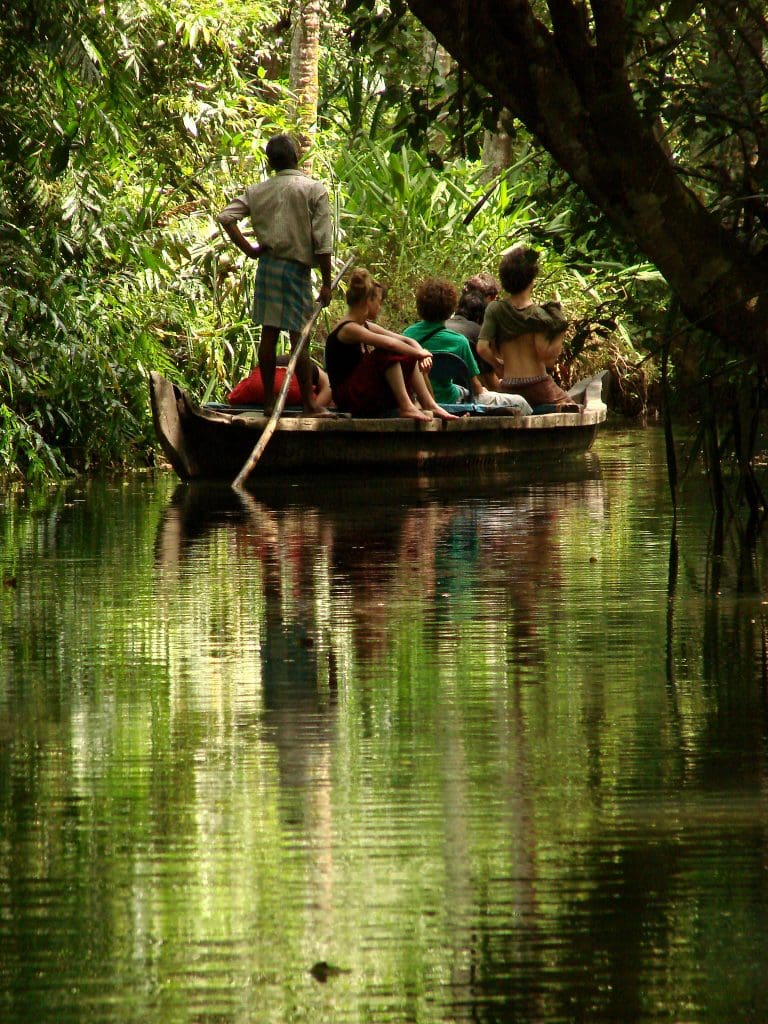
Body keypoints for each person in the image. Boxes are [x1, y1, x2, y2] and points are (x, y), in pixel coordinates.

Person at [218, 133, 333, 416]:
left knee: (268, 334)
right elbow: (323, 241)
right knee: (299, 339)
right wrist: (327, 283)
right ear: (296, 156)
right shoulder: (313, 189)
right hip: (296, 269)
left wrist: (250, 250)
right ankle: (308, 403)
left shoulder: (258, 190)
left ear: (271, 163)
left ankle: (270, 402)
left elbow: (226, 216)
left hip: (268, 266)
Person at [324, 269, 459, 421]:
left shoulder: (364, 325)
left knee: (407, 354)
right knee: (386, 352)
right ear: (368, 301)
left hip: (361, 391)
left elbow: (405, 340)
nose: (380, 307)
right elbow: (391, 344)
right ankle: (406, 406)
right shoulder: (349, 328)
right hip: (348, 397)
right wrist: (418, 354)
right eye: (379, 302)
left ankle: (429, 404)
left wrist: (419, 351)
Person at [403, 278, 532, 413]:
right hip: (451, 400)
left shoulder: (407, 334)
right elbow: (476, 388)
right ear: (450, 308)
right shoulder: (458, 341)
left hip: (418, 399)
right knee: (519, 402)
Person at [477, 246, 581, 411]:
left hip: (509, 386)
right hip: (539, 386)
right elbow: (547, 358)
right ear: (532, 279)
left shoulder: (494, 309)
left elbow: (482, 348)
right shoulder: (538, 314)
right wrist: (561, 330)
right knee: (575, 409)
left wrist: (498, 366)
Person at [227, 354, 332, 407]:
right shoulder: (314, 371)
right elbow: (329, 386)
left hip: (259, 379)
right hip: (288, 381)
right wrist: (314, 408)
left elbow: (233, 398)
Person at [445, 288, 498, 388]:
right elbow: (490, 381)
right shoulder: (477, 332)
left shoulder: (443, 325)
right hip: (464, 394)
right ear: (480, 317)